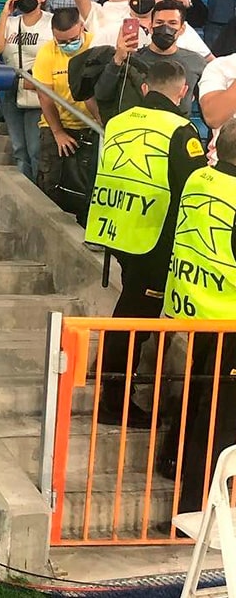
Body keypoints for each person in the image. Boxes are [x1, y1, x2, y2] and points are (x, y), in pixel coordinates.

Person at [84, 60, 208, 427]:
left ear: (144, 88)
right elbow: (194, 186)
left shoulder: (119, 120)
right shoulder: (181, 130)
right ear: (183, 92)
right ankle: (113, 399)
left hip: (119, 229)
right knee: (136, 322)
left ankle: (108, 383)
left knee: (130, 311)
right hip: (154, 239)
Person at [163, 116, 236, 511]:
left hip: (195, 307)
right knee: (218, 423)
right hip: (227, 320)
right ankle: (197, 510)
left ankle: (170, 460)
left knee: (195, 396)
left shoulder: (200, 179)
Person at [32, 6, 101, 218]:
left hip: (92, 126)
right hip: (58, 125)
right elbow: (45, 95)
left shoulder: (96, 44)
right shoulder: (47, 51)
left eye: (72, 39)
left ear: (82, 27)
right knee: (49, 182)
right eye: (60, 41)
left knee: (87, 186)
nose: (67, 45)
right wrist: (58, 132)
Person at [94, 0, 207, 118]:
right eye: (159, 22)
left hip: (177, 132)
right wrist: (117, 59)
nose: (165, 28)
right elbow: (102, 94)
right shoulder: (130, 59)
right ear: (151, 26)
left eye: (172, 23)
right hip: (134, 130)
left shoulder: (196, 62)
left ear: (182, 29)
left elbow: (207, 106)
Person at [0, 0, 52, 181]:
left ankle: (38, 190)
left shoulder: (50, 22)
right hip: (10, 88)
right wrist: (4, 13)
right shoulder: (11, 22)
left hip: (37, 89)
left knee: (36, 149)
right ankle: (24, 189)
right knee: (19, 148)